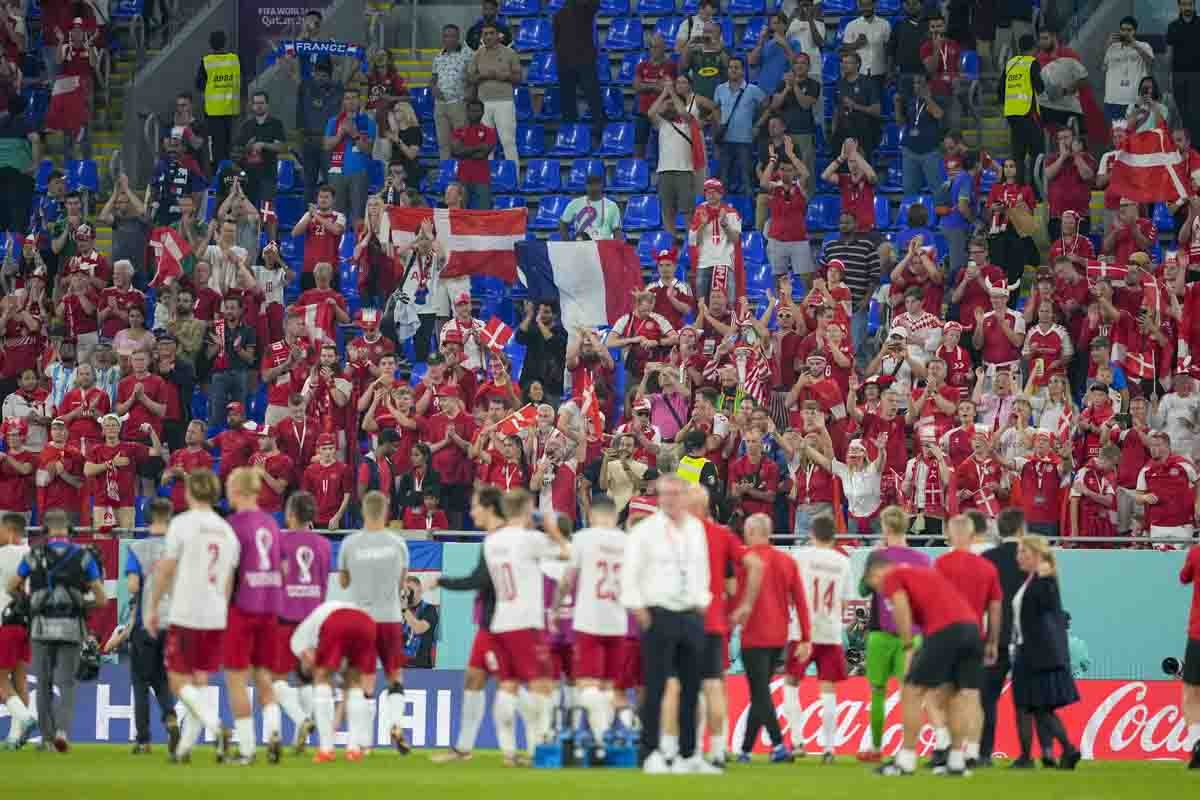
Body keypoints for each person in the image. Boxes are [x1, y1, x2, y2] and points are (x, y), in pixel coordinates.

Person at [621, 475, 715, 774]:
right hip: (658, 612)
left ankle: (688, 755)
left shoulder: (696, 529)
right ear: (659, 496)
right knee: (656, 686)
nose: (672, 498)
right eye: (667, 493)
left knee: (691, 688)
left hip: (691, 613)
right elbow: (630, 571)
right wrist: (638, 608)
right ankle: (650, 752)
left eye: (677, 493)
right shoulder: (646, 531)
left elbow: (702, 568)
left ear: (685, 495)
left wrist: (703, 600)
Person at [145, 470, 238, 762]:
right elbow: (229, 579)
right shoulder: (226, 530)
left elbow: (166, 569)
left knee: (177, 679)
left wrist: (152, 607)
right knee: (200, 679)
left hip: (186, 610)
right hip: (215, 612)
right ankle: (185, 748)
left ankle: (217, 726)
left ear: (190, 492)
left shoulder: (182, 525)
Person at [865, 550, 983, 777]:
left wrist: (908, 646)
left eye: (872, 581)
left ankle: (906, 760)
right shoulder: (922, 574)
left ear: (877, 571)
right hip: (970, 628)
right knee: (953, 696)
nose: (877, 589)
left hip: (946, 630)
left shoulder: (893, 576)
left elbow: (901, 607)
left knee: (911, 691)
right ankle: (957, 762)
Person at [6, 508, 105, 753]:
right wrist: (83, 604)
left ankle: (48, 739)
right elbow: (102, 598)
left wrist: (29, 601)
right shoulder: (83, 556)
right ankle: (63, 732)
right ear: (68, 529)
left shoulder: (34, 554)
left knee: (44, 683)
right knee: (67, 683)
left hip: (40, 627)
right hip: (72, 627)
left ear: (46, 530)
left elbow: (12, 586)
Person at [483, 489, 570, 765]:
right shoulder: (530, 540)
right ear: (526, 509)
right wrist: (552, 528)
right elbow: (566, 552)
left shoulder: (491, 541)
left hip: (501, 622)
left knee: (507, 685)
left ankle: (508, 752)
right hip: (526, 623)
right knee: (541, 686)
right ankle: (538, 749)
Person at [430, 486, 504, 762]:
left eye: (475, 507)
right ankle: (463, 748)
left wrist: (441, 581)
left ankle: (535, 744)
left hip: (505, 625)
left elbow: (479, 580)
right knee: (474, 679)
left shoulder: (502, 540)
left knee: (515, 686)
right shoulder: (493, 538)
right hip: (490, 623)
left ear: (488, 508)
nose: (472, 512)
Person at [339, 489, 413, 754]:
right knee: (394, 676)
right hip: (390, 617)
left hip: (362, 619)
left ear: (363, 512)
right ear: (385, 512)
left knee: (365, 682)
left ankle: (363, 742)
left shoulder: (350, 544)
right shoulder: (398, 544)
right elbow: (402, 582)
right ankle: (395, 724)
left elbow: (344, 581)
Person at [857, 505, 930, 762]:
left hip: (880, 633)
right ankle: (909, 751)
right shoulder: (922, 559)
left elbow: (863, 591)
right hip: (913, 635)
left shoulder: (878, 557)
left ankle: (876, 749)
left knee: (877, 692)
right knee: (909, 695)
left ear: (885, 527)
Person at [736, 513, 810, 764]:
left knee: (759, 692)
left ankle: (778, 745)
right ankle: (746, 749)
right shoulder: (786, 561)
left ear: (752, 532)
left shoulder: (746, 559)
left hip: (753, 634)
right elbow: (800, 600)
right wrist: (805, 638)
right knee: (760, 692)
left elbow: (735, 596)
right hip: (779, 635)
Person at [223, 468, 285, 764]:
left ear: (236, 490)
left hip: (242, 606)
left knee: (236, 679)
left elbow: (227, 572)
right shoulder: (272, 524)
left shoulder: (233, 525)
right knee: (264, 676)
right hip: (270, 607)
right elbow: (282, 568)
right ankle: (273, 732)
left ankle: (247, 749)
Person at [932, 515, 1003, 768]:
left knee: (942, 695)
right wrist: (993, 641)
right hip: (975, 635)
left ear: (951, 535)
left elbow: (933, 603)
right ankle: (972, 752)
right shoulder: (987, 568)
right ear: (973, 536)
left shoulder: (941, 564)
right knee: (972, 696)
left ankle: (947, 748)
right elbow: (995, 608)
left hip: (946, 635)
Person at [112, 498, 179, 755]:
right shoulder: (179, 549)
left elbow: (132, 586)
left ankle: (143, 739)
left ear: (148, 519)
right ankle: (170, 716)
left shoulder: (138, 548)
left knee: (140, 680)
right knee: (162, 678)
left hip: (146, 622)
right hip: (172, 622)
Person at [1011, 535, 1081, 769]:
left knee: (1036, 707)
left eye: (1023, 552)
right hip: (1030, 650)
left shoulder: (1044, 582)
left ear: (1036, 554)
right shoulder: (1035, 580)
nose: (1018, 557)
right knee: (1039, 708)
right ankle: (1055, 752)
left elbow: (1046, 615)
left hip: (1034, 653)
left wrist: (1045, 574)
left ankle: (1064, 750)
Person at [785, 514, 851, 762]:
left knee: (791, 683)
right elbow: (844, 602)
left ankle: (797, 741)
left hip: (802, 631)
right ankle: (829, 749)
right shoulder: (843, 562)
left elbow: (791, 595)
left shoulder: (800, 558)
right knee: (828, 689)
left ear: (812, 534)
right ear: (834, 535)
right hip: (830, 632)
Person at [271, 491, 331, 753]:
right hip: (313, 621)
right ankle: (300, 738)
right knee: (306, 679)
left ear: (291, 515)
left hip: (285, 617)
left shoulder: (280, 543)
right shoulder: (324, 545)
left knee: (278, 679)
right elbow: (324, 584)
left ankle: (302, 721)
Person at [289, 600, 379, 763]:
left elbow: (314, 663)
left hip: (337, 620)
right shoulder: (325, 642)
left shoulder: (296, 644)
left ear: (302, 664)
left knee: (322, 678)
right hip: (366, 622)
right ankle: (353, 749)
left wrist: (319, 673)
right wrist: (336, 721)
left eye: (308, 670)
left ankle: (326, 749)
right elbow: (346, 690)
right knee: (355, 684)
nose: (312, 668)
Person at [648, 78, 708, 243]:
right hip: (664, 172)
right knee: (667, 212)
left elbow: (683, 113)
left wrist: (672, 93)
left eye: (670, 104)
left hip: (684, 171)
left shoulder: (689, 124)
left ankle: (692, 245)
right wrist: (664, 93)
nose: (667, 107)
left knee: (688, 212)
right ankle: (671, 242)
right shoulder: (662, 124)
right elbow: (650, 113)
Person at [468, 23, 522, 171]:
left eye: (491, 33)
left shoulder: (510, 53)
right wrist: (482, 76)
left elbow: (519, 78)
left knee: (508, 141)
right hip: (483, 104)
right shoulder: (477, 54)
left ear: (498, 35)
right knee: (485, 144)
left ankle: (514, 178)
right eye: (485, 34)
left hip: (504, 102)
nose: (488, 36)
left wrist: (504, 76)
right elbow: (470, 78)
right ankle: (486, 178)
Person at [0, 512, 34, 749]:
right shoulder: (33, 553)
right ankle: (15, 737)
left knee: (1, 678)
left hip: (5, 621)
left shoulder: (3, 555)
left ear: (10, 531)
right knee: (20, 677)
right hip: (27, 623)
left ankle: (24, 717)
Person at [323, 88, 376, 226]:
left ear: (359, 101)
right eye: (347, 98)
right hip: (336, 173)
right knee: (336, 215)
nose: (350, 101)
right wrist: (340, 134)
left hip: (359, 173)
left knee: (358, 215)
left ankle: (356, 246)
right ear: (343, 102)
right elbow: (327, 145)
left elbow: (368, 149)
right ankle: (337, 246)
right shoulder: (333, 122)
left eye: (354, 98)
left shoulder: (368, 122)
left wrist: (354, 134)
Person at [713, 57, 765, 196]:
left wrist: (758, 125)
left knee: (747, 180)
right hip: (725, 140)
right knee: (723, 180)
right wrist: (719, 123)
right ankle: (721, 213)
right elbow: (715, 108)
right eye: (730, 67)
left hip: (745, 141)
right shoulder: (720, 89)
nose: (733, 70)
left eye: (736, 67)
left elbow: (768, 107)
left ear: (743, 70)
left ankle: (749, 213)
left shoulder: (753, 90)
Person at [295, 59, 344, 204]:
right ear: (313, 74)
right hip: (308, 141)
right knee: (308, 184)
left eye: (324, 75)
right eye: (317, 74)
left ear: (330, 76)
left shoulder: (337, 90)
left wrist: (340, 63)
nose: (320, 78)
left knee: (331, 183)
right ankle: (308, 218)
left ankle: (332, 217)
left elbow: (347, 72)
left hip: (328, 143)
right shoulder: (305, 88)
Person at [554, 0, 604, 135]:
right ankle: (571, 133)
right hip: (565, 62)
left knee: (593, 96)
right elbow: (556, 40)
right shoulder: (558, 15)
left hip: (584, 61)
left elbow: (595, 4)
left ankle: (600, 128)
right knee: (567, 100)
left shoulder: (585, 8)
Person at [999, 35, 1045, 185]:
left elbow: (1000, 91)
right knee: (1037, 153)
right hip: (1028, 113)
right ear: (1034, 48)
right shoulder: (1032, 63)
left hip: (1012, 115)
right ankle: (1036, 192)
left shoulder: (1010, 64)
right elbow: (1040, 87)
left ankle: (1017, 189)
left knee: (1018, 155)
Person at [235, 90, 287, 208]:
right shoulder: (246, 125)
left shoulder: (276, 124)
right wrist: (247, 147)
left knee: (268, 211)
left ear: (267, 105)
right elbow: (237, 150)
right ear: (252, 105)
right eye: (256, 103)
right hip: (249, 175)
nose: (258, 106)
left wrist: (264, 145)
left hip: (268, 174)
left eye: (261, 103)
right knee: (249, 211)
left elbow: (283, 148)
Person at [195, 30, 239, 167]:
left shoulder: (206, 62)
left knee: (215, 147)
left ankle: (218, 176)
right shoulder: (234, 59)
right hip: (231, 110)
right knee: (228, 146)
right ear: (225, 43)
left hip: (213, 112)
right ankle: (228, 176)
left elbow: (199, 86)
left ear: (210, 44)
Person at [1044, 129, 1095, 240]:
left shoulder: (1086, 157)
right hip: (1057, 217)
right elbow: (1048, 175)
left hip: (1080, 216)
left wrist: (1076, 155)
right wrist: (1062, 157)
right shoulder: (1052, 158)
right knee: (1059, 253)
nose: (1063, 142)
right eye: (1060, 139)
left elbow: (1087, 175)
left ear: (1073, 139)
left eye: (1066, 137)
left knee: (1080, 251)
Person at [431, 24, 472, 161]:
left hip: (458, 103)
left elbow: (474, 78)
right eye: (446, 36)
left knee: (462, 142)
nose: (449, 39)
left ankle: (464, 174)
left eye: (452, 36)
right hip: (440, 104)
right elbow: (433, 79)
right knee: (443, 143)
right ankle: (446, 174)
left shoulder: (467, 54)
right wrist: (433, 88)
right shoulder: (438, 57)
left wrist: (468, 97)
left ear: (458, 37)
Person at [633, 35, 677, 160]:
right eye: (651, 47)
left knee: (663, 148)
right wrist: (655, 85)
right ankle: (638, 169)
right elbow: (637, 86)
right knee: (638, 146)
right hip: (643, 111)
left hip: (662, 113)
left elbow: (667, 89)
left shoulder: (670, 66)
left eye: (657, 47)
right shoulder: (642, 66)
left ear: (664, 48)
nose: (653, 50)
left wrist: (646, 85)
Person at [1102, 17, 1155, 121]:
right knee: (1116, 135)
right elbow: (1102, 67)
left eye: (1129, 30)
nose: (1125, 33)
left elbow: (1151, 64)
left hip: (1134, 100)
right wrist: (1107, 45)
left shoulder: (1144, 46)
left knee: (1134, 134)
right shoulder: (1112, 47)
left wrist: (1135, 46)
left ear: (1134, 31)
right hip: (1112, 99)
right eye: (1123, 29)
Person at [1179, 539, 1200, 769]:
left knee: (1192, 692)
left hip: (1198, 633)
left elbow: (1184, 577)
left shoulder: (1196, 553)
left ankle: (1196, 744)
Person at [1169, 0, 1200, 146]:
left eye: (1190, 4)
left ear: (1194, 6)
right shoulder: (1173, 26)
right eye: (1184, 4)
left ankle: (1196, 149)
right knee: (1183, 114)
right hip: (1178, 75)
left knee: (1196, 113)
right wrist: (1170, 75)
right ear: (1179, 6)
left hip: (1197, 75)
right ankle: (1186, 148)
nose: (1187, 7)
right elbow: (1170, 53)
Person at [843, 0, 891, 93]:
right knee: (858, 104)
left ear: (874, 5)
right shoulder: (851, 25)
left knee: (877, 104)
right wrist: (856, 44)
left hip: (879, 72)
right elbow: (844, 50)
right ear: (859, 6)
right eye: (862, 5)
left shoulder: (885, 24)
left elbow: (889, 50)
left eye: (868, 5)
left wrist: (889, 71)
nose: (865, 8)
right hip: (858, 73)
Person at [560, 174, 621, 241]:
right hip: (581, 244)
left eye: (596, 184)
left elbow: (616, 230)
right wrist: (567, 242)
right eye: (590, 184)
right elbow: (563, 223)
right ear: (586, 186)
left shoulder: (612, 205)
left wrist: (616, 247)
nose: (593, 187)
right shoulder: (575, 203)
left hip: (604, 244)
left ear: (602, 186)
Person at [402, 575, 439, 669]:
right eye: (404, 590)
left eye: (410, 589)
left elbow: (418, 629)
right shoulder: (398, 611)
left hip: (421, 668)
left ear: (419, 590)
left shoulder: (430, 609)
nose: (407, 593)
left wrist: (404, 609)